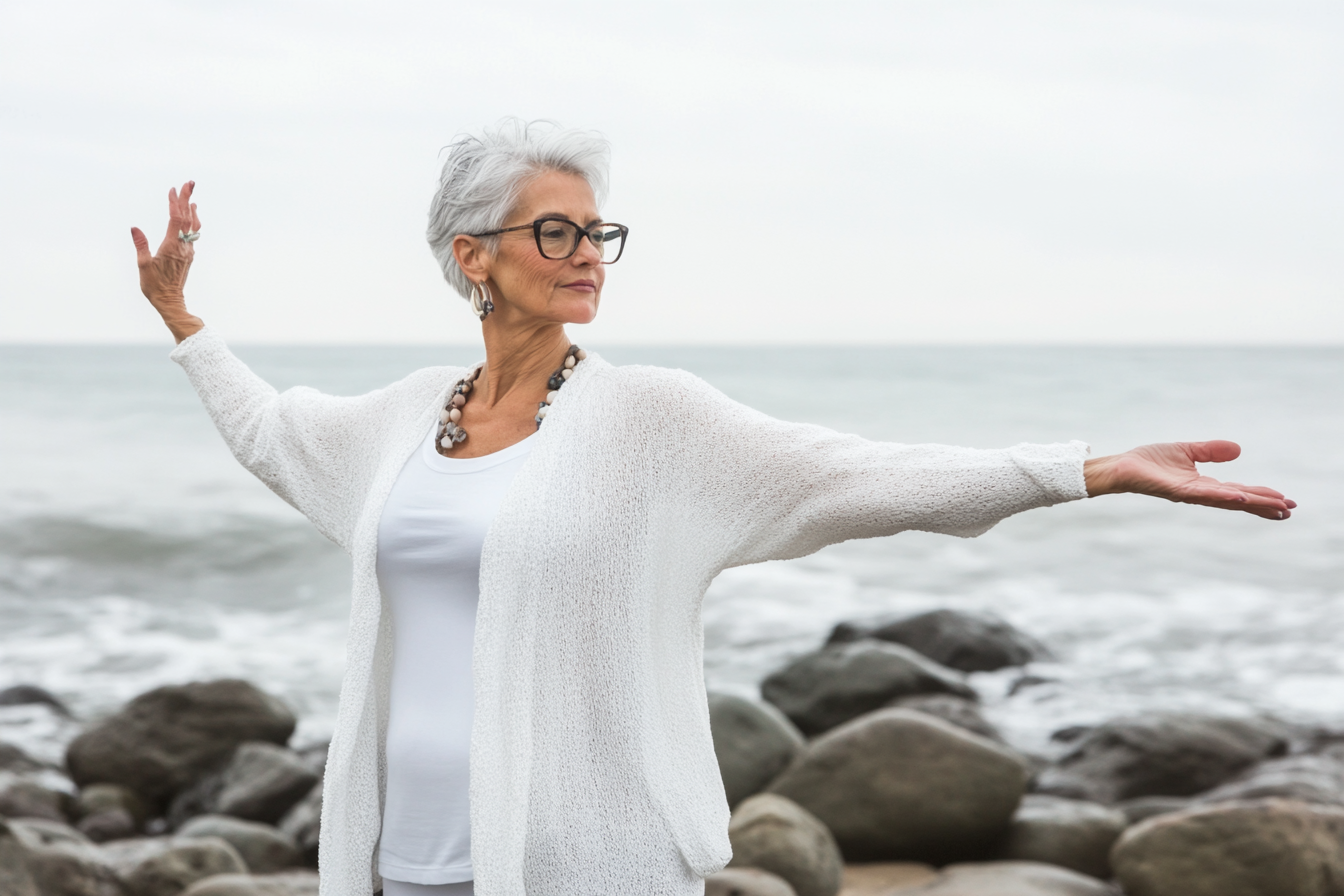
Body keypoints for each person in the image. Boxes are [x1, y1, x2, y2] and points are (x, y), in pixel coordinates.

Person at [130, 119, 1294, 896]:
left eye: (599, 233)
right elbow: (274, 433)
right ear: (470, 254)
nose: (588, 253)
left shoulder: (652, 423)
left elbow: (857, 473)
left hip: (579, 861)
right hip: (395, 857)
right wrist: (186, 322)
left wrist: (1080, 467)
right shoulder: (393, 424)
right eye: (557, 230)